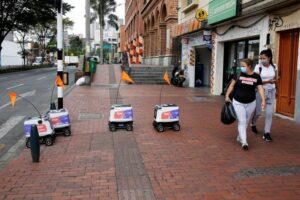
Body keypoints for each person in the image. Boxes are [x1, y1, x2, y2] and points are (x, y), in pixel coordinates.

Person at [225, 59, 265, 150]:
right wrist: (227, 95)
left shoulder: (257, 77)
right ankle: (244, 142)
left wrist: (263, 100)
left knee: (246, 121)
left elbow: (260, 88)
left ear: (249, 66)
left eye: (243, 66)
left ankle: (240, 136)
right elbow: (231, 86)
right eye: (241, 66)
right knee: (242, 121)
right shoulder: (238, 74)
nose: (241, 68)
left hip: (251, 102)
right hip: (238, 102)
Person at [251, 49, 279, 142]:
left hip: (271, 91)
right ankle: (253, 123)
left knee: (269, 113)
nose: (262, 60)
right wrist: (267, 81)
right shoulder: (258, 67)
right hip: (260, 91)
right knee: (258, 112)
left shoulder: (274, 66)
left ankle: (267, 133)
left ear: (269, 58)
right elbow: (256, 81)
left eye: (264, 58)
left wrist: (277, 89)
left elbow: (276, 78)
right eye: (261, 58)